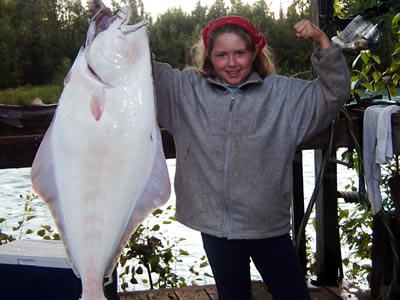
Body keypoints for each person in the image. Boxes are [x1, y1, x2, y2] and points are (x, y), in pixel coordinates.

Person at [88, 2, 350, 299]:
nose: (232, 63)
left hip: (268, 227)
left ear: (255, 53)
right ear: (210, 57)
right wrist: (109, 25)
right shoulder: (184, 91)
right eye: (221, 54)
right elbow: (144, 70)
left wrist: (322, 43)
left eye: (240, 53)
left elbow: (333, 92)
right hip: (214, 228)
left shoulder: (283, 95)